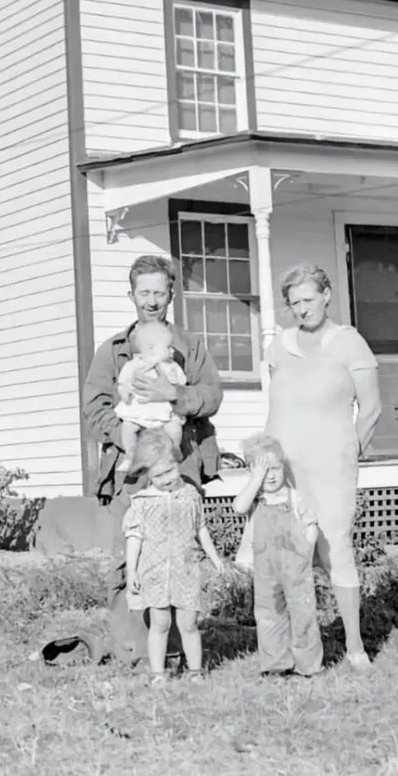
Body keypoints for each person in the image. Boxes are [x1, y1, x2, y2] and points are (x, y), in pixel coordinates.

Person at [82, 253, 223, 667]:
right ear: (131, 295)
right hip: (132, 472)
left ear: (171, 294)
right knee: (130, 557)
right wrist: (124, 435)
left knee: (180, 555)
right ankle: (134, 651)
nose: (151, 300)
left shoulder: (189, 347)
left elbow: (212, 395)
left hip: (178, 466)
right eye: (144, 292)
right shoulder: (113, 351)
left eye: (159, 292)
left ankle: (179, 651)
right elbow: (94, 406)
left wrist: (175, 396)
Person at [264, 263, 382, 671]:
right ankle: (293, 649)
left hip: (331, 467)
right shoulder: (278, 346)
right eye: (293, 303)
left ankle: (354, 647)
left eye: (308, 299)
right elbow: (276, 407)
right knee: (287, 556)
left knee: (336, 549)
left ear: (327, 295)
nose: (301, 309)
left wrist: (351, 451)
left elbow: (370, 410)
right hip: (286, 470)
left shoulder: (349, 342)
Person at [123, 429, 224, 682]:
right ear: (147, 475)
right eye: (158, 476)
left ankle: (195, 672)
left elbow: (200, 528)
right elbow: (134, 538)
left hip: (185, 568)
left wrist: (214, 557)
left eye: (169, 472)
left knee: (189, 623)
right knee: (160, 624)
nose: (166, 479)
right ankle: (158, 674)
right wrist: (132, 570)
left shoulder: (189, 495)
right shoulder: (142, 502)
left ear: (176, 464)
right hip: (155, 572)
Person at [232, 433, 323, 679]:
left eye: (274, 468)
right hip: (265, 568)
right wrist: (255, 480)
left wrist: (308, 544)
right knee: (268, 615)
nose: (270, 476)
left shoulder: (295, 497)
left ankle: (308, 665)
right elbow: (238, 507)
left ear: (284, 466)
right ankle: (276, 664)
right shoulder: (254, 500)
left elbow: (311, 524)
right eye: (263, 471)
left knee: (303, 613)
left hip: (296, 566)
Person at [115, 320, 186, 472]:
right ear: (151, 349)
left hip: (164, 410)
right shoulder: (134, 365)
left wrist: (174, 388)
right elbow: (123, 382)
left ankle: (174, 448)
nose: (172, 351)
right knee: (128, 427)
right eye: (168, 347)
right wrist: (124, 392)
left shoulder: (172, 366)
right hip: (140, 408)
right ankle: (130, 455)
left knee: (174, 427)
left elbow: (182, 385)